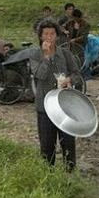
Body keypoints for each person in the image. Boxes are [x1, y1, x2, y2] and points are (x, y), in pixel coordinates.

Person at [29, 20, 79, 172]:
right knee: (47, 146)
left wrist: (69, 80)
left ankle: (70, 175)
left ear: (57, 36)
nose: (49, 37)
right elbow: (40, 75)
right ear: (40, 36)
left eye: (52, 33)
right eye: (45, 34)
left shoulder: (65, 53)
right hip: (44, 107)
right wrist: (46, 56)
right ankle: (48, 176)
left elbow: (76, 73)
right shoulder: (35, 54)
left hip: (64, 106)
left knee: (68, 143)